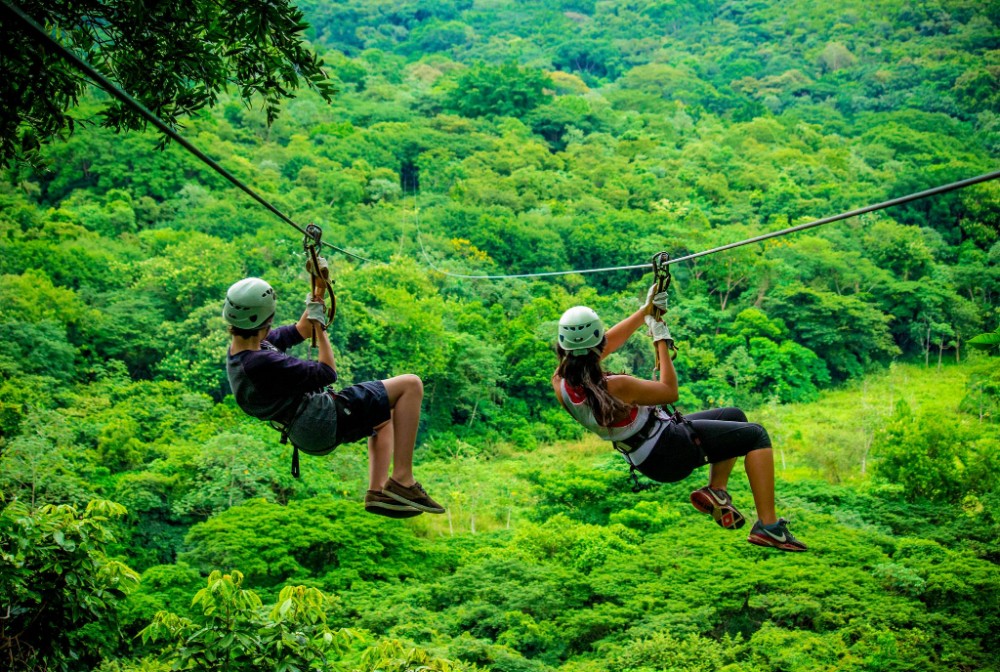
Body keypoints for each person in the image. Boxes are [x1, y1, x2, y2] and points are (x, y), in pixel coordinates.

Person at [551, 288, 806, 551]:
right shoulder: (617, 386)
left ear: (563, 347)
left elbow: (595, 349)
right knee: (756, 435)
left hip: (648, 454)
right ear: (597, 345)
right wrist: (661, 339)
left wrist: (645, 312)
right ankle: (769, 527)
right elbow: (669, 391)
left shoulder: (560, 384)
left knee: (734, 417)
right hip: (669, 448)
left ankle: (717, 490)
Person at [222, 270, 444, 519]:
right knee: (411, 385)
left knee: (384, 418)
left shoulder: (248, 349)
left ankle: (378, 492)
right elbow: (328, 372)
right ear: (267, 320)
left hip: (307, 429)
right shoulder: (261, 363)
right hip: (320, 419)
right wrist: (321, 328)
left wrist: (318, 290)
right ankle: (403, 479)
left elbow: (301, 329)